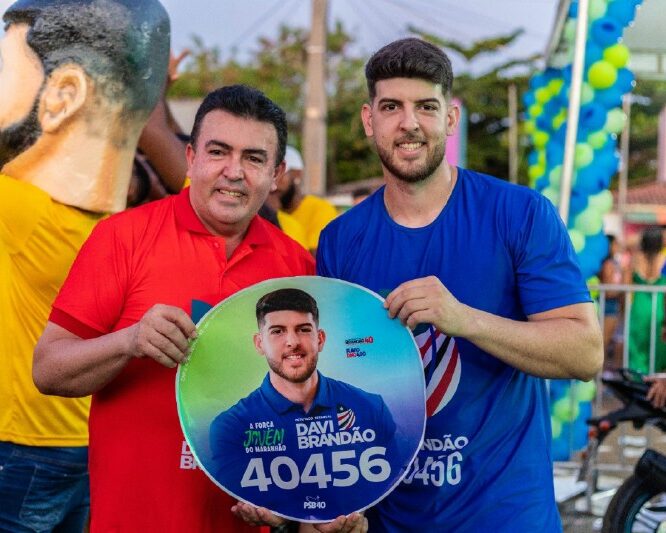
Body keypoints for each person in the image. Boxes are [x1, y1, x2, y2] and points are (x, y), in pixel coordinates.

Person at [316, 38, 603, 531]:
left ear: (450, 119)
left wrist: (464, 319)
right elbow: (336, 380)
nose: (409, 123)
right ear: (369, 120)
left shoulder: (519, 214)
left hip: (505, 517)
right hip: (390, 520)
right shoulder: (341, 239)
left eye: (426, 107)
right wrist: (336, 501)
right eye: (391, 107)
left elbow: (585, 353)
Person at [33, 85, 315, 531]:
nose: (233, 172)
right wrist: (129, 341)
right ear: (190, 158)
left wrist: (288, 506)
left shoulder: (296, 266)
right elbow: (48, 370)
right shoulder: (122, 237)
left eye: (253, 158)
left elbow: (309, 407)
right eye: (218, 152)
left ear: (276, 174)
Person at [0, 0, 169, 530]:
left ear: (63, 95)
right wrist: (146, 95)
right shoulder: (134, 231)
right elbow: (186, 170)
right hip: (91, 439)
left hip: (23, 445)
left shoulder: (22, 214)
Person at [208, 288, 397, 518]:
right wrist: (282, 519)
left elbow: (385, 488)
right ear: (259, 343)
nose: (292, 342)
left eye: (303, 329)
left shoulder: (371, 408)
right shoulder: (230, 428)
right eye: (277, 331)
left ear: (320, 339)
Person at [273, 145, 338, 254]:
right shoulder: (263, 212)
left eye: (280, 173)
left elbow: (318, 259)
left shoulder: (320, 210)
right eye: (270, 174)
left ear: (297, 174)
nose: (273, 182)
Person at [627, 227, 666, 374]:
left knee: (637, 344)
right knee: (658, 344)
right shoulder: (663, 258)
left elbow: (627, 283)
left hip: (639, 305)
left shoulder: (636, 258)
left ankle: (638, 377)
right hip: (659, 305)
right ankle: (655, 377)